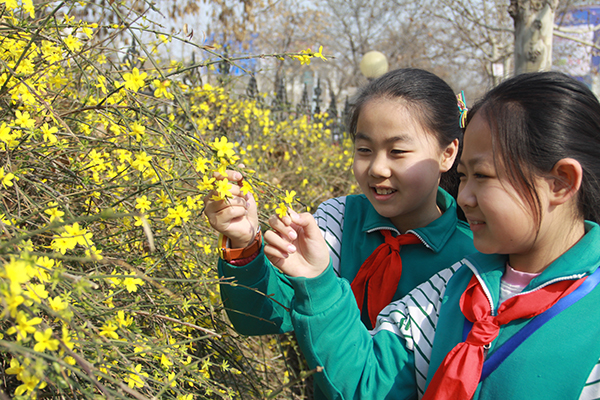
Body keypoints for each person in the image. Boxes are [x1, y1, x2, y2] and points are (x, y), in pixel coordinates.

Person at [264, 71, 600, 400]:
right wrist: (315, 281)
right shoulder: (457, 286)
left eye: (482, 175)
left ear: (561, 182)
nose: (465, 197)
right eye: (464, 176)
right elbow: (370, 381)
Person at [206, 68, 475, 342]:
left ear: (447, 154)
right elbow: (263, 315)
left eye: (397, 152)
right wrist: (244, 243)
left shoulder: (471, 258)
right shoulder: (339, 221)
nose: (378, 168)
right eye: (364, 150)